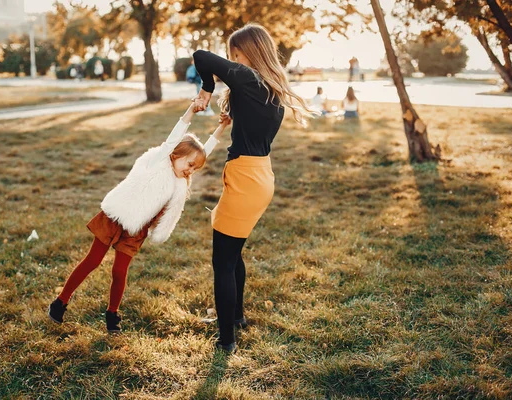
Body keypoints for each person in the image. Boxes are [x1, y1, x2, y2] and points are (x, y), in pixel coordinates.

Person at [48, 102, 230, 333]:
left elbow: (203, 152)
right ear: (175, 154)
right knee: (92, 260)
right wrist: (190, 112)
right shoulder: (160, 159)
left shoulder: (179, 180)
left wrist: (221, 128)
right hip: (117, 215)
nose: (190, 171)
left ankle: (112, 314)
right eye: (189, 164)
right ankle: (60, 302)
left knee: (119, 271)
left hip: (137, 229)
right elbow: (175, 136)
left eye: (195, 169)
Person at [192, 24, 316, 353]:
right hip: (261, 175)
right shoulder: (271, 90)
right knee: (233, 255)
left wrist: (206, 86)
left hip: (246, 178)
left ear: (251, 51)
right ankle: (236, 318)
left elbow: (201, 57)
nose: (233, 60)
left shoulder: (248, 81)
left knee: (223, 262)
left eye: (236, 54)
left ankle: (227, 341)